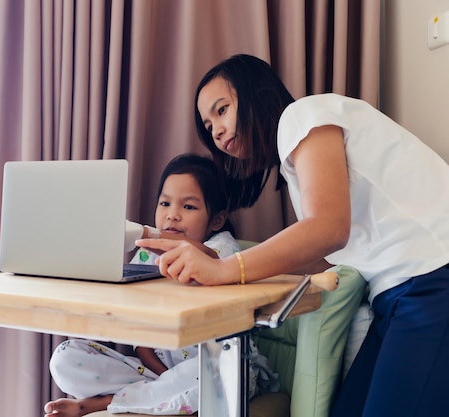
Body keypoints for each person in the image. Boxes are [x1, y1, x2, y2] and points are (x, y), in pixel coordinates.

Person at [137, 54, 449, 417]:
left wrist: (227, 270)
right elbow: (327, 254)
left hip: (432, 278)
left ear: (255, 93)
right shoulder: (299, 161)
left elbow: (328, 229)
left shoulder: (304, 115)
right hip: (399, 293)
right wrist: (221, 263)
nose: (217, 131)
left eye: (221, 110)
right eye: (208, 127)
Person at [44, 153, 279, 417]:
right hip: (157, 372)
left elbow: (209, 259)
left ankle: (104, 402)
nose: (172, 216)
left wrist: (151, 234)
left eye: (188, 207)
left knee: (211, 376)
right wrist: (162, 374)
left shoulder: (222, 247)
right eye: (165, 203)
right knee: (64, 357)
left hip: (217, 366)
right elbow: (140, 337)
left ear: (217, 219)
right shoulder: (147, 256)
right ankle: (160, 395)